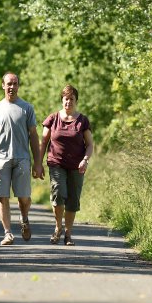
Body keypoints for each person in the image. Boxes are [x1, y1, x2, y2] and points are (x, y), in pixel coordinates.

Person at [0, 72, 44, 245]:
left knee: (24, 197)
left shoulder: (27, 108)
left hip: (23, 158)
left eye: (15, 84)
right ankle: (8, 233)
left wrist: (38, 163)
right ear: (3, 85)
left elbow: (33, 135)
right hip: (1, 158)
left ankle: (24, 217)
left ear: (18, 86)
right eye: (9, 84)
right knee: (2, 196)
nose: (12, 87)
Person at [40, 84, 94, 246]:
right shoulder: (53, 118)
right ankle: (58, 228)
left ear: (76, 101)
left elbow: (90, 144)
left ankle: (68, 233)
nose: (68, 102)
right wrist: (38, 163)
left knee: (73, 199)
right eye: (66, 99)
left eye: (71, 99)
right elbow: (43, 142)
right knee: (58, 193)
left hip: (77, 166)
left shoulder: (82, 121)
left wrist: (85, 160)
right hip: (56, 164)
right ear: (61, 100)